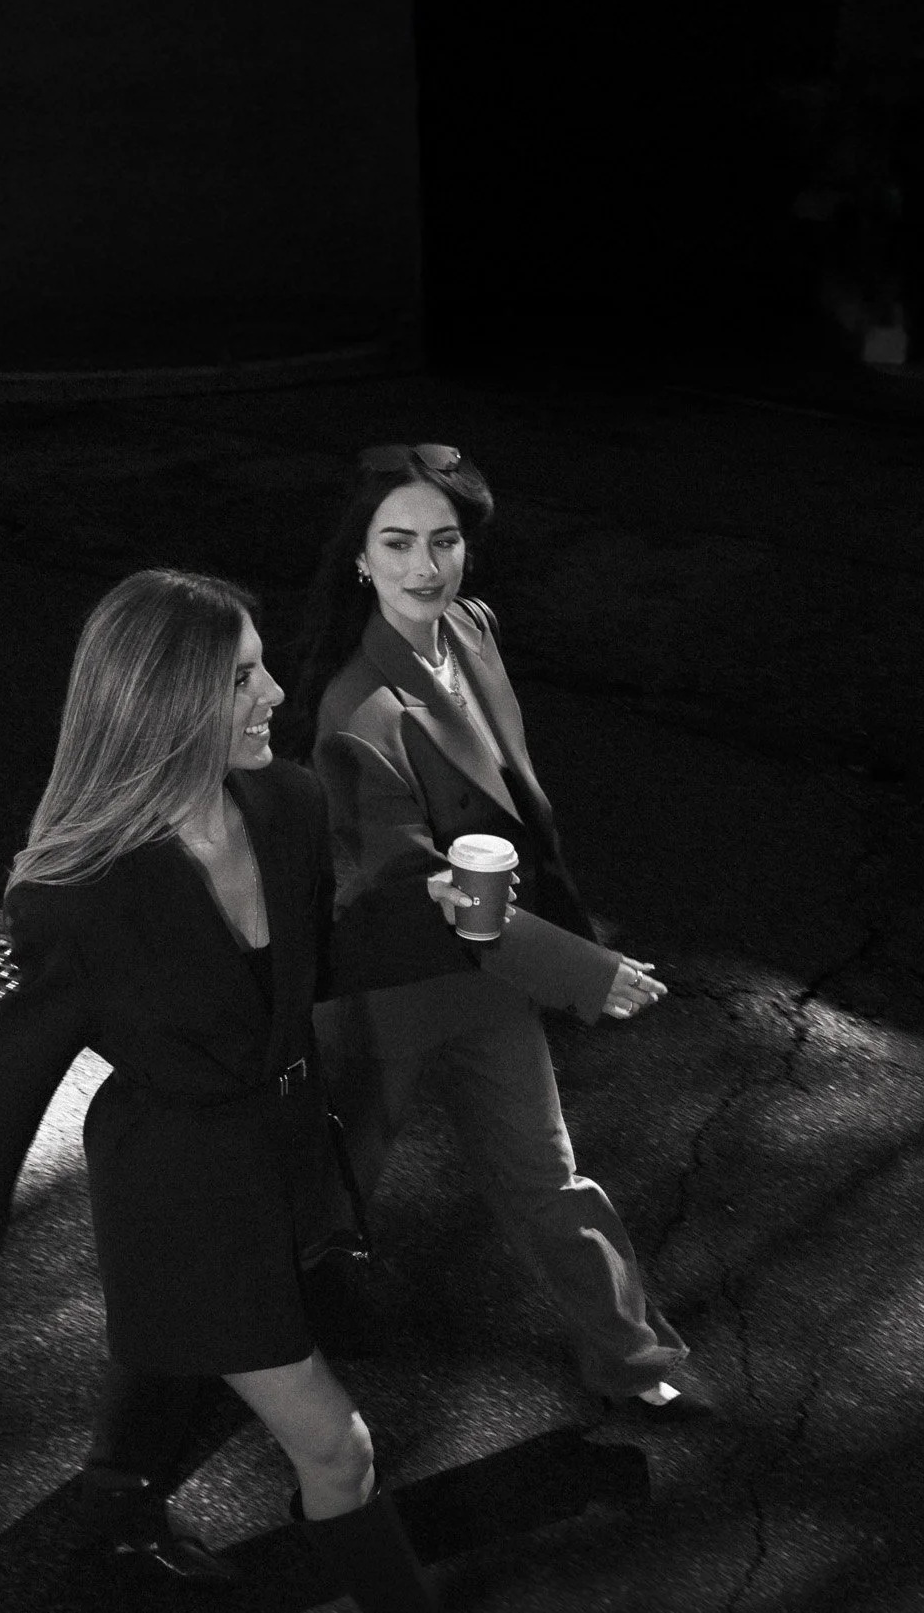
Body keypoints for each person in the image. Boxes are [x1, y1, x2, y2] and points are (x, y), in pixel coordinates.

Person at [0, 567, 553, 1613]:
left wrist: (457, 919)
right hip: (181, 1185)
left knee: (177, 1353)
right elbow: (21, 1052)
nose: (272, 689)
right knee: (334, 1444)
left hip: (281, 1151)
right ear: (164, 705)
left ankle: (116, 1502)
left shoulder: (287, 804)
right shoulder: (81, 895)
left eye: (261, 662)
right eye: (241, 674)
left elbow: (314, 959)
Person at [297, 442, 712, 1421]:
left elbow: (512, 796)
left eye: (442, 540)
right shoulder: (359, 710)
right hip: (382, 988)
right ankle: (209, 1377)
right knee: (321, 1188)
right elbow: (416, 882)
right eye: (395, 542)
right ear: (359, 558)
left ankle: (629, 1352)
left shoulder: (471, 629)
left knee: (549, 1179)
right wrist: (576, 964)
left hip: (483, 984)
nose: (423, 565)